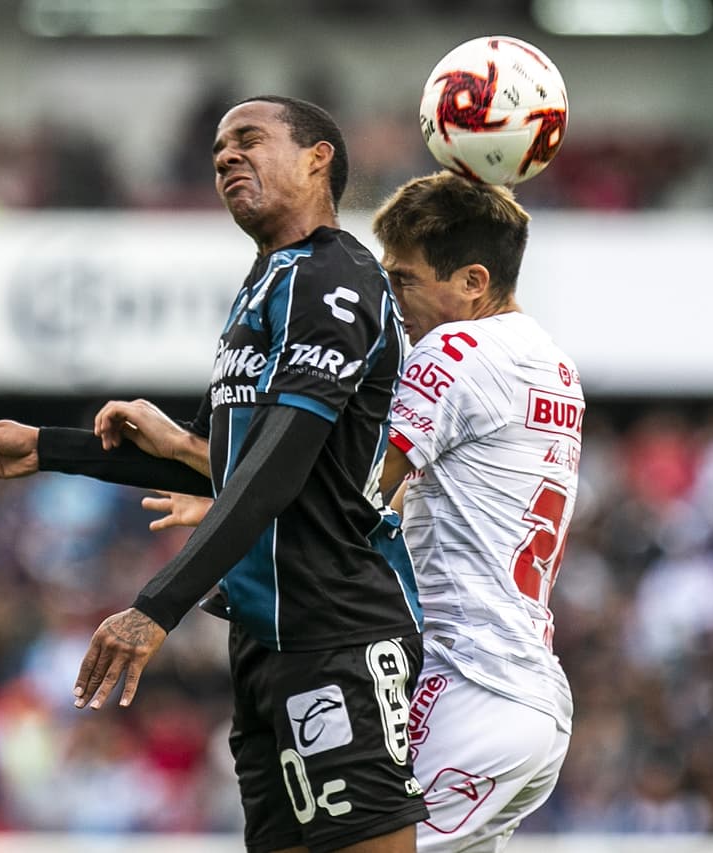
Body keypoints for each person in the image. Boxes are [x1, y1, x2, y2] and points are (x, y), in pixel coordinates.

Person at [0, 96, 428, 853]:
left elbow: (277, 466)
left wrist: (157, 606)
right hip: (266, 641)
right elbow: (213, 455)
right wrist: (45, 446)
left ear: (318, 158)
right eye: (221, 147)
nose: (226, 156)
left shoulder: (334, 278)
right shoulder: (265, 284)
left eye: (250, 141)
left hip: (340, 633)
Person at [142, 172, 580, 851]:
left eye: (403, 281)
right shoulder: (550, 363)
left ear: (471, 281)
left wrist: (220, 485)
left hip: (471, 682)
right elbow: (388, 497)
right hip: (531, 697)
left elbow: (357, 478)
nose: (392, 300)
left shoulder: (454, 349)